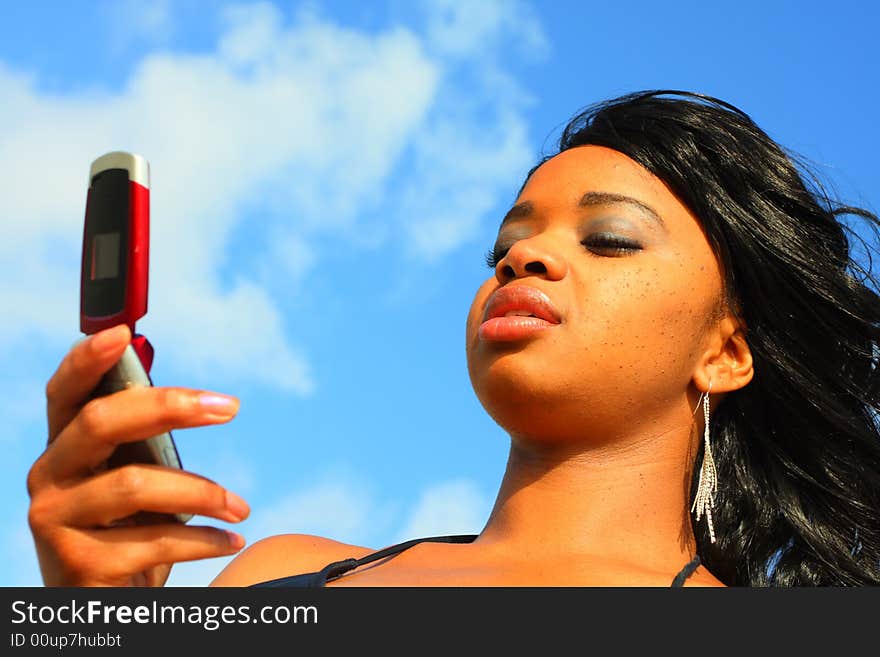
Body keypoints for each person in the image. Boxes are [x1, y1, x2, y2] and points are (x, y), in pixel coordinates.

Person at [27, 90, 880, 587]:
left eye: (609, 238)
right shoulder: (273, 578)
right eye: (505, 248)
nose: (524, 259)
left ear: (726, 352)